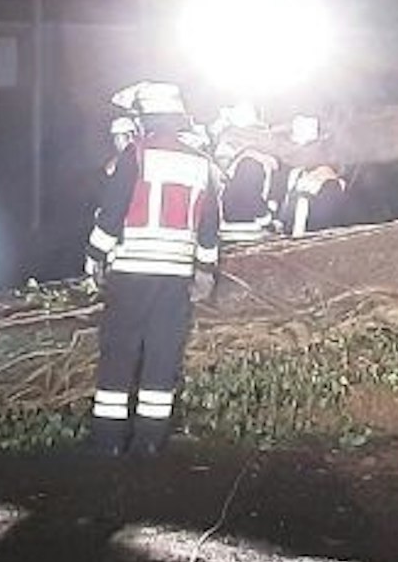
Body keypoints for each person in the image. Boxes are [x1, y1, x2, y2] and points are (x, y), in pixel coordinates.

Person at [85, 80, 220, 457]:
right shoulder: (201, 163)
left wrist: (95, 256)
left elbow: (112, 211)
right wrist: (206, 270)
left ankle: (109, 440)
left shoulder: (136, 155)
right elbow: (209, 224)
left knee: (119, 351)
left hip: (131, 271)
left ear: (145, 120)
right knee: (162, 354)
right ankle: (150, 441)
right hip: (176, 276)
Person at [209, 103, 281, 244]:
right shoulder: (248, 161)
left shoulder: (249, 162)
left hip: (243, 234)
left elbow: (249, 195)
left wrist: (266, 221)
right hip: (242, 233)